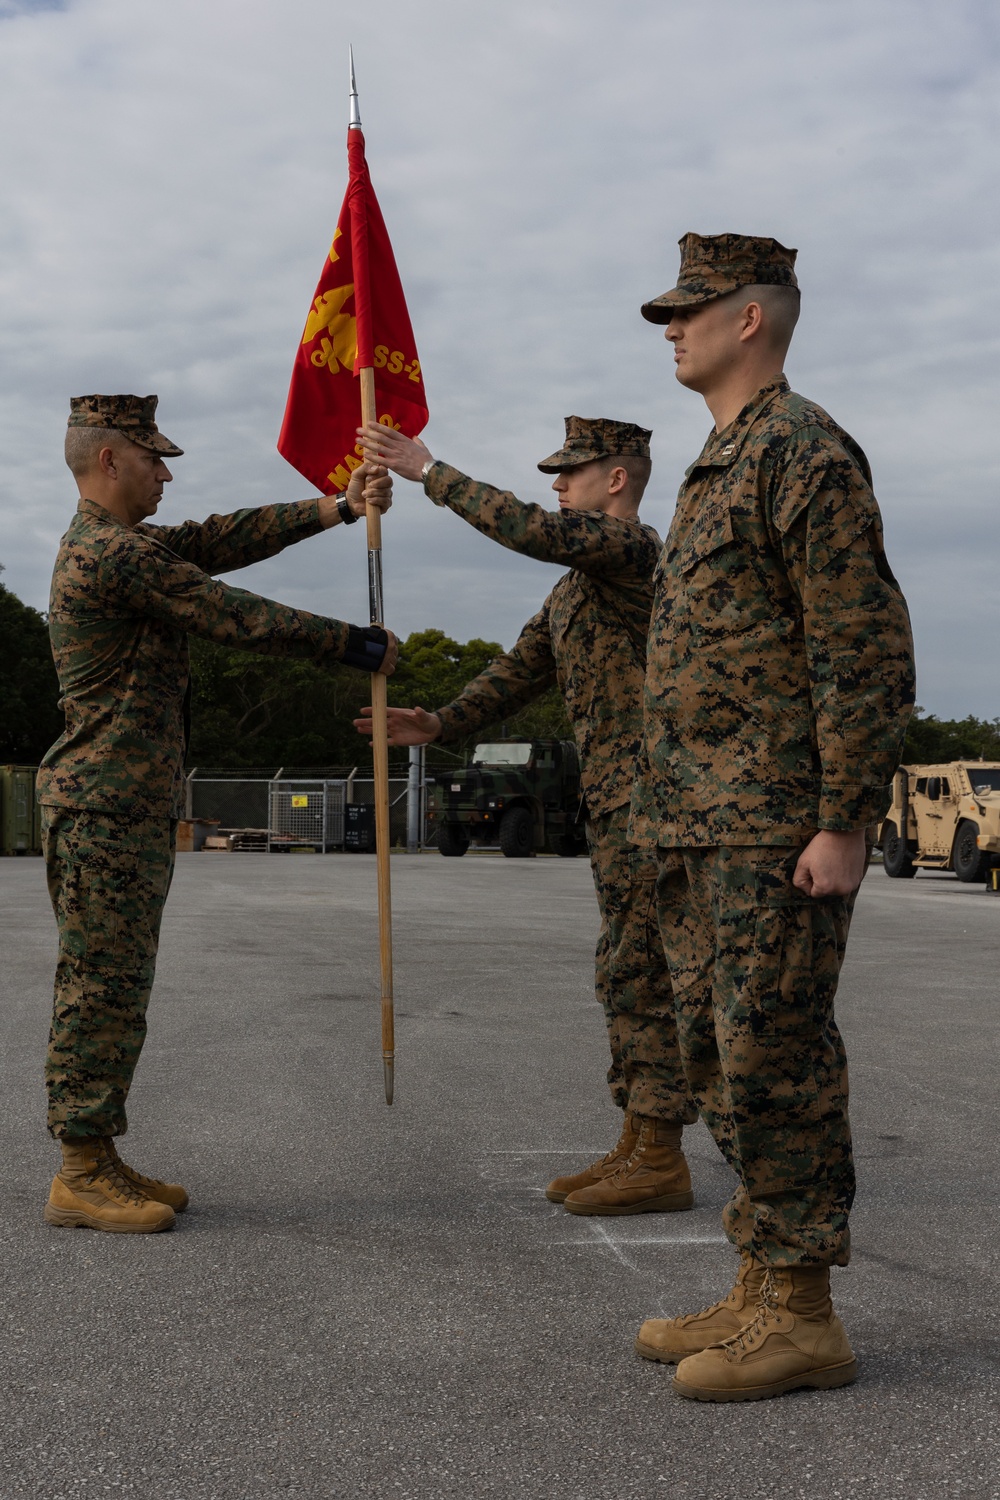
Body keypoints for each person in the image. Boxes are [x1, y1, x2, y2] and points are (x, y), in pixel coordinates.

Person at [627, 235, 915, 1401]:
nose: (670, 328)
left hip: (770, 828)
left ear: (750, 318)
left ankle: (803, 1314)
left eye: (688, 310)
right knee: (714, 1059)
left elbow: (861, 644)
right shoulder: (717, 462)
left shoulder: (801, 451)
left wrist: (844, 818)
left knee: (774, 1057)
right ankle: (757, 1282)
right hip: (696, 825)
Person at [38, 393, 398, 1234]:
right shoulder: (111, 557)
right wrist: (354, 643)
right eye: (154, 458)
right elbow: (228, 610)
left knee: (118, 985)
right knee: (102, 988)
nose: (166, 473)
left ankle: (99, 1152)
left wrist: (337, 506)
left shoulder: (127, 546)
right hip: (103, 806)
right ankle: (81, 1170)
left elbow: (217, 539)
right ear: (109, 461)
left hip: (117, 806)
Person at [354, 415, 697, 1214]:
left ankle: (661, 1153)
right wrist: (441, 723)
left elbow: (532, 529)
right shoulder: (578, 587)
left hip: (658, 802)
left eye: (571, 472)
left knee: (646, 971)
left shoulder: (638, 553)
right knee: (626, 971)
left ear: (618, 479)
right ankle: (644, 1140)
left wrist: (430, 472)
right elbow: (519, 669)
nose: (557, 484)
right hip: (617, 806)